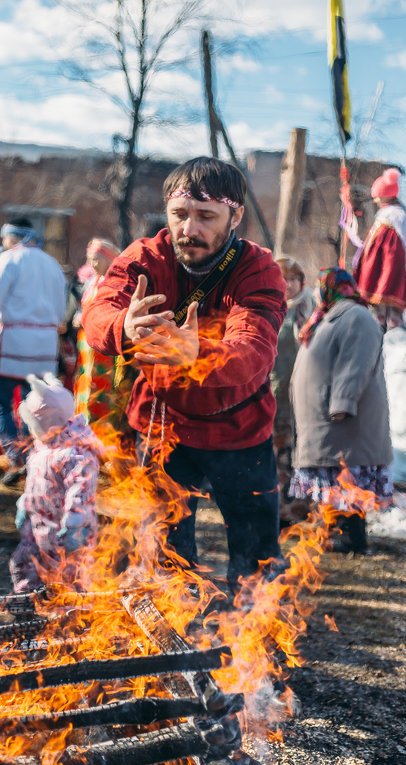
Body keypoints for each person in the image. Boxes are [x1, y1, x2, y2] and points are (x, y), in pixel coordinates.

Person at [82, 156, 287, 594]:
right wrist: (124, 327)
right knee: (163, 557)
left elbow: (255, 349)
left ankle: (255, 651)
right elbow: (98, 312)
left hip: (240, 431)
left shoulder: (258, 269)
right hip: (162, 429)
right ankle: (173, 642)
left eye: (206, 217)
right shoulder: (146, 256)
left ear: (236, 216)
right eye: (180, 214)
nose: (188, 229)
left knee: (257, 560)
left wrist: (199, 352)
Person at [289, 267, 393, 553]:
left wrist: (343, 403)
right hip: (329, 422)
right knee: (337, 484)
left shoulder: (355, 316)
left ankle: (349, 539)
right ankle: (337, 534)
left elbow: (356, 363)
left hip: (343, 422)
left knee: (347, 481)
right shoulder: (329, 316)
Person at [0, 217, 67, 484]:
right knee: (39, 407)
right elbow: (61, 311)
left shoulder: (9, 259)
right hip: (44, 347)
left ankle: (17, 455)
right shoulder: (52, 263)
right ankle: (36, 457)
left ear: (11, 237)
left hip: (14, 343)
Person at [9, 373, 102, 592]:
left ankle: (72, 616)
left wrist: (75, 525)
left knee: (70, 574)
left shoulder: (76, 454)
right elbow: (35, 482)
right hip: (38, 527)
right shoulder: (43, 448)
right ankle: (30, 604)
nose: (30, 431)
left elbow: (81, 490)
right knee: (24, 565)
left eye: (33, 425)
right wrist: (25, 504)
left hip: (67, 532)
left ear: (48, 425)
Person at [271, 257, 315, 526]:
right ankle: (280, 510)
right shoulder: (271, 307)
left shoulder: (308, 309)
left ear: (302, 282)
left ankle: (298, 508)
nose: (287, 285)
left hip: (301, 396)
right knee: (278, 454)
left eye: (292, 279)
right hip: (274, 395)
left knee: (299, 454)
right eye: (282, 279)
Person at [353, 167, 406, 331]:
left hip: (390, 262)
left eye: (379, 198)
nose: (378, 202)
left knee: (389, 289)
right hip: (376, 262)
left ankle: (394, 326)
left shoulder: (397, 215)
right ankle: (378, 322)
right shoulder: (382, 217)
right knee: (377, 291)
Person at [74, 238, 121, 424]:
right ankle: (84, 423)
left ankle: (100, 427)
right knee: (86, 381)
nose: (92, 264)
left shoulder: (115, 282)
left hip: (103, 348)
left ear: (109, 259)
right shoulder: (92, 282)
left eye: (96, 259)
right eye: (90, 259)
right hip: (86, 345)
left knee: (102, 387)